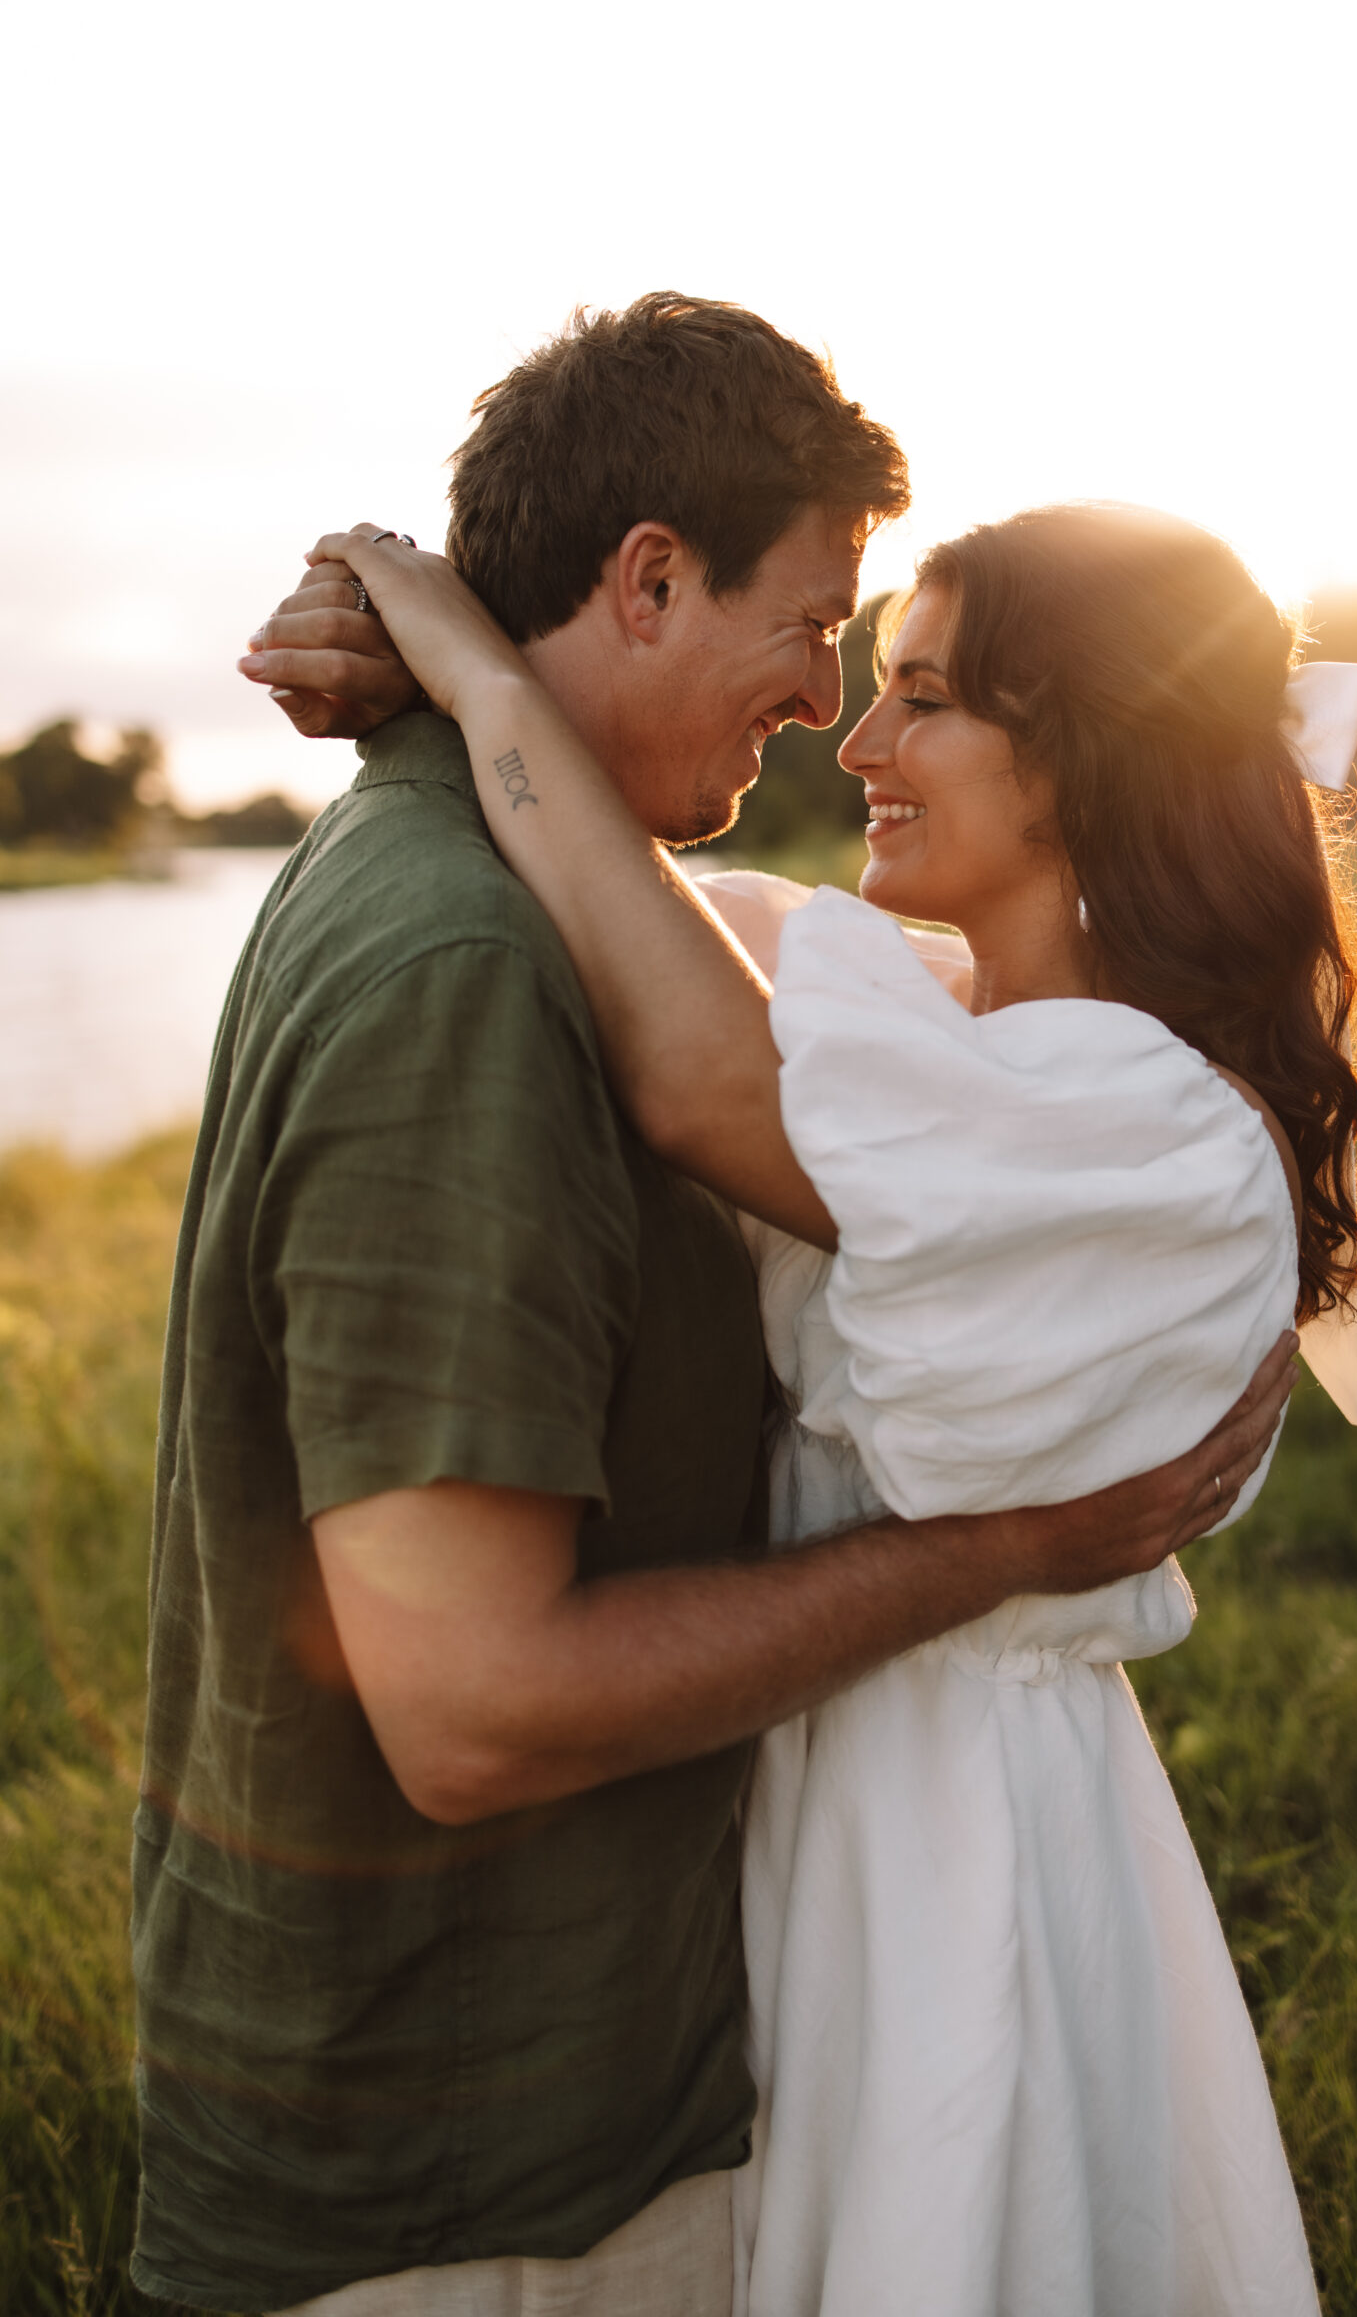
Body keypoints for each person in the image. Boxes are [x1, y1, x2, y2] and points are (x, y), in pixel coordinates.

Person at [137, 296, 1295, 2317]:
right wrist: (418, 656)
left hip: (939, 1852)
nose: (839, 722)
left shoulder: (1121, 1107)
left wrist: (460, 657)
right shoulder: (633, 971)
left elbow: (708, 1058)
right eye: (831, 637)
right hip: (733, 1903)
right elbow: (693, 963)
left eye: (910, 687)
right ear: (653, 574)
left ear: (1081, 753)